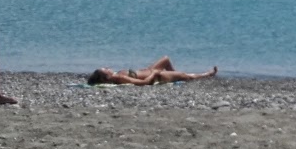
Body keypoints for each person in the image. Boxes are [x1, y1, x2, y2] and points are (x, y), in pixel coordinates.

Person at [87, 58, 219, 86]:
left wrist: (150, 70)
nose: (108, 67)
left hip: (150, 70)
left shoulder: (117, 74)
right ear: (106, 77)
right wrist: (154, 74)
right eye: (106, 69)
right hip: (157, 76)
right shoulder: (120, 78)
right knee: (185, 76)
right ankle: (206, 75)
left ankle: (176, 76)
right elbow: (143, 82)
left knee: (166, 60)